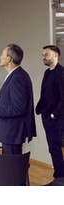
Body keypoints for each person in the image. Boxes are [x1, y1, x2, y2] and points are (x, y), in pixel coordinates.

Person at [0, 44, 36, 155]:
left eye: (2, 54)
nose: (0, 57)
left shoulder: (17, 78)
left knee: (13, 169)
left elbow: (18, 108)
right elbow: (13, 101)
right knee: (14, 168)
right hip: (11, 133)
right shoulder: (16, 75)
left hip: (12, 133)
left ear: (9, 59)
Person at [35, 45, 64, 180]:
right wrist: (39, 108)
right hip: (46, 117)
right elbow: (45, 94)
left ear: (55, 56)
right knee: (52, 148)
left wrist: (54, 114)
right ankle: (59, 177)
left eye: (46, 55)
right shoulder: (47, 73)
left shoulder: (61, 72)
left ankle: (59, 178)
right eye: (42, 55)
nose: (43, 57)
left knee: (55, 148)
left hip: (56, 118)